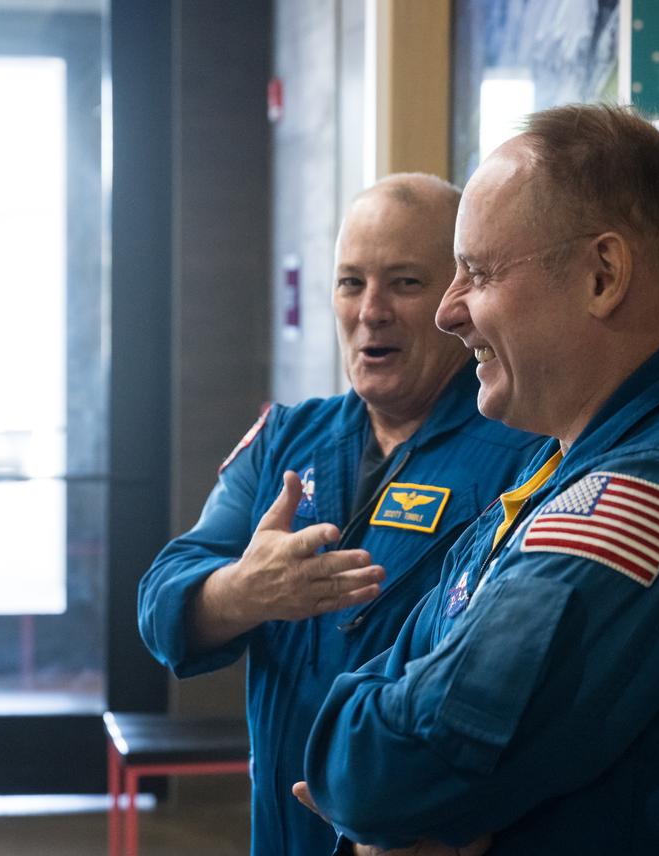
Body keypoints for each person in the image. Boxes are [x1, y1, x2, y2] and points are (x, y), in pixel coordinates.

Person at [298, 105, 659, 855]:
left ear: (602, 275)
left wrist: (379, 780)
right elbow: (373, 693)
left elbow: (380, 772)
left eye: (478, 273)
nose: (450, 312)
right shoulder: (560, 467)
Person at [137, 173, 543, 856]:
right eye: (351, 282)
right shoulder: (285, 440)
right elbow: (161, 606)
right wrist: (243, 591)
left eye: (405, 283)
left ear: (457, 299)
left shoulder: (523, 455)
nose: (371, 310)